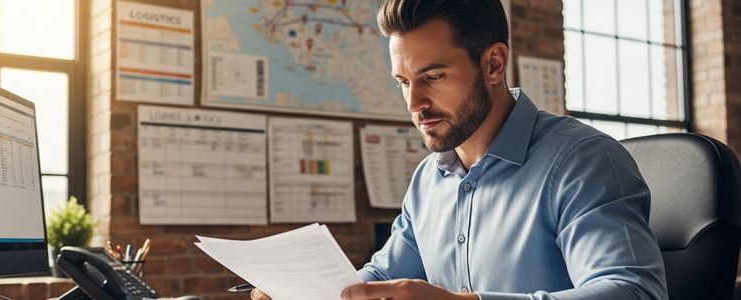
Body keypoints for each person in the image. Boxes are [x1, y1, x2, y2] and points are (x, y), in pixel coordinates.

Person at [252, 0, 668, 299]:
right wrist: (306, 293)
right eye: (403, 81)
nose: (414, 103)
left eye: (432, 76)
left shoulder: (583, 161)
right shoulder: (429, 179)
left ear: (493, 64)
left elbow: (633, 291)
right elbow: (383, 276)